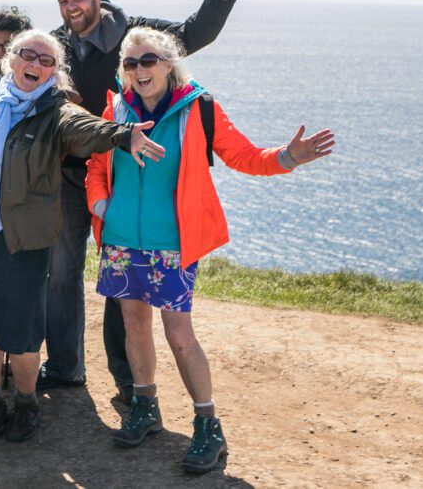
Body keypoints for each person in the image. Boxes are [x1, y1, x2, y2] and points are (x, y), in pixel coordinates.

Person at [86, 27, 334, 472]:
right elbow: (98, 166)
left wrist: (289, 157)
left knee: (179, 335)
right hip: (122, 239)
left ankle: (208, 424)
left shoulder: (198, 109)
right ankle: (145, 406)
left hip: (173, 243)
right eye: (131, 63)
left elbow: (245, 157)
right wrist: (100, 203)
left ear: (168, 64)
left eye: (148, 61)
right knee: (133, 324)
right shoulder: (115, 109)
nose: (139, 71)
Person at [41, 0, 255, 399]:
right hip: (71, 172)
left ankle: (129, 383)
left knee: (125, 294)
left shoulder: (133, 34)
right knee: (61, 274)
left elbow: (192, 35)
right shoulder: (57, 45)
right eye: (62, 0)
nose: (70, 7)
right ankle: (64, 367)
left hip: (122, 176)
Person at [0, 27, 157, 443]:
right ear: (9, 59)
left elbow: (87, 128)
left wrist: (123, 135)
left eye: (46, 60)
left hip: (22, 237)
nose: (34, 64)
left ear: (54, 73)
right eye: (27, 55)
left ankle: (27, 402)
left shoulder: (55, 110)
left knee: (21, 330)